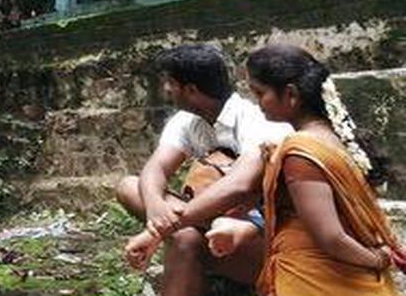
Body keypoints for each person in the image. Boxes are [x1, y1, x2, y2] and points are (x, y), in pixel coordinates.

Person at [212, 44, 406, 295]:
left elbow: (331, 238)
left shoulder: (301, 152)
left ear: (291, 94)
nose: (258, 103)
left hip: (316, 279)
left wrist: (380, 260)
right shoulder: (334, 139)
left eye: (260, 93)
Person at [115, 44, 292, 295]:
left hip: (255, 236)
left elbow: (239, 186)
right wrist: (155, 208)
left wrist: (162, 228)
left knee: (184, 239)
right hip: (205, 221)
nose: (166, 90)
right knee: (130, 187)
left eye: (170, 83)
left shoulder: (255, 121)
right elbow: (156, 168)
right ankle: (187, 231)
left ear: (190, 90)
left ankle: (187, 234)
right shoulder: (186, 120)